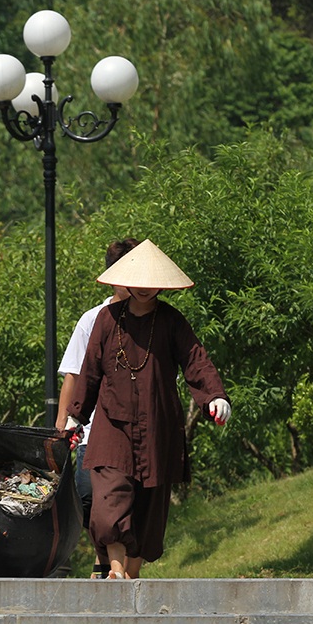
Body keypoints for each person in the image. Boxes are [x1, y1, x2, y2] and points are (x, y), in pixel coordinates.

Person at [65, 239, 232, 580]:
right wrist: (75, 416)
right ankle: (114, 569)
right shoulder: (106, 319)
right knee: (109, 498)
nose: (144, 288)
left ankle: (132, 573)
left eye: (151, 282)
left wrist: (215, 396)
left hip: (157, 425)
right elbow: (89, 371)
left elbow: (196, 361)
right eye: (137, 280)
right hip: (111, 426)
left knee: (149, 504)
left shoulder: (172, 320)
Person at [54, 238, 138, 579]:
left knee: (128, 500)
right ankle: (105, 559)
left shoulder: (154, 320)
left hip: (137, 427)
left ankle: (117, 566)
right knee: (88, 495)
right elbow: (73, 375)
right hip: (93, 427)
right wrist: (63, 423)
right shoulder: (93, 319)